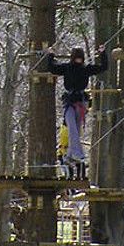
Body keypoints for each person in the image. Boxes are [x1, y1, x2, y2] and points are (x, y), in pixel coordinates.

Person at [45, 45, 110, 178]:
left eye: (81, 59)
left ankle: (72, 155)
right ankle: (76, 154)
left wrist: (103, 53)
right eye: (77, 59)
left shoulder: (86, 69)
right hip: (70, 102)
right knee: (72, 128)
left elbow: (103, 67)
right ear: (73, 58)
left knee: (75, 129)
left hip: (81, 103)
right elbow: (52, 67)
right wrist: (50, 55)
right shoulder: (67, 68)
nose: (79, 61)